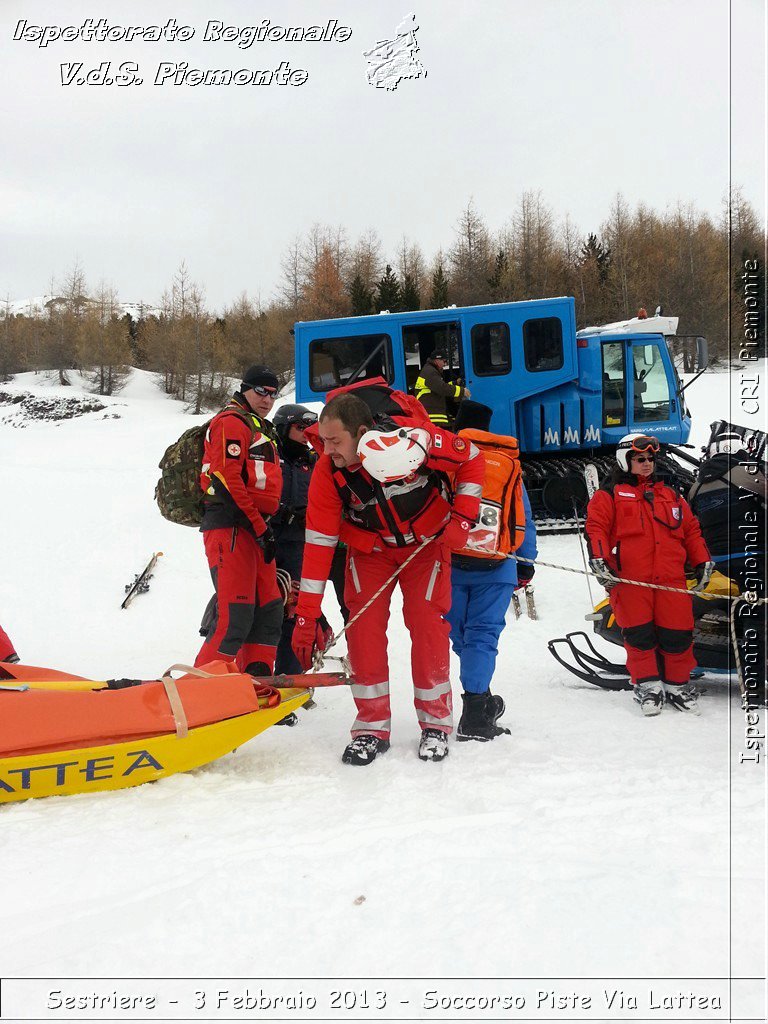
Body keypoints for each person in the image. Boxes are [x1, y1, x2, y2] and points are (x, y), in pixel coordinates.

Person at [291, 392, 485, 764]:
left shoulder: (416, 438)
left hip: (426, 546)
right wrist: (306, 615)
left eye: (335, 441)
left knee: (427, 626)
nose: (327, 449)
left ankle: (436, 724)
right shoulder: (327, 473)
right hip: (370, 552)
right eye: (323, 440)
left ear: (361, 433)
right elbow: (318, 545)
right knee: (363, 632)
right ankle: (370, 727)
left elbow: (473, 460)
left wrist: (463, 518)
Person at [585, 433, 714, 716]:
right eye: (639, 459)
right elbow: (596, 529)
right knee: (639, 636)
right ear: (625, 461)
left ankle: (677, 686)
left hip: (671, 582)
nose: (646, 464)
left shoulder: (671, 494)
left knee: (678, 635)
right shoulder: (609, 495)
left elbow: (691, 531)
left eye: (650, 459)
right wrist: (599, 560)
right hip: (631, 582)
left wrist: (702, 560)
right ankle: (648, 687)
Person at [446, 402, 538, 741]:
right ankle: (476, 712)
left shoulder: (448, 460)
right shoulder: (508, 464)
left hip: (450, 565)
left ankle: (479, 701)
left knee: (462, 636)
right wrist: (526, 563)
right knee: (482, 637)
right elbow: (523, 516)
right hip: (498, 565)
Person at [194, 366, 284, 676]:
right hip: (231, 524)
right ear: (244, 389)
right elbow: (225, 476)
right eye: (261, 391)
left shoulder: (259, 425)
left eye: (273, 393)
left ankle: (256, 679)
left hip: (257, 526)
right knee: (236, 615)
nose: (268, 399)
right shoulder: (231, 422)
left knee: (269, 608)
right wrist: (259, 526)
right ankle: (199, 694)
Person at [689, 431, 767, 705]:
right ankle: (755, 689)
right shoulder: (749, 473)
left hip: (722, 560)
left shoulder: (697, 485)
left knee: (746, 614)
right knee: (757, 619)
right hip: (755, 555)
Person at [271, 403, 347, 677]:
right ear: (283, 428)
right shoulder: (268, 456)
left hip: (298, 546)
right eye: (299, 427)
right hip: (265, 541)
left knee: (293, 610)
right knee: (265, 611)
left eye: (309, 428)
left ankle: (290, 679)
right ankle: (254, 675)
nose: (305, 433)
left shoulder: (314, 461)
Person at [414, 349, 470, 428]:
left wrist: (455, 383)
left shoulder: (429, 370)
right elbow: (442, 388)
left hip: (432, 410)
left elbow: (439, 386)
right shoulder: (431, 372)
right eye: (444, 361)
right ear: (437, 360)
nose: (445, 364)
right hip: (433, 414)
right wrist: (462, 391)